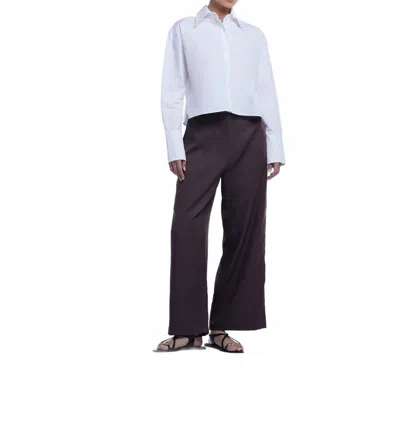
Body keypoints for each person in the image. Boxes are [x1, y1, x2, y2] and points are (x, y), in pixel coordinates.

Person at [155, 0, 285, 353]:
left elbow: (265, 90)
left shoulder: (254, 36)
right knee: (187, 225)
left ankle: (221, 327)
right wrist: (174, 144)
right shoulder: (185, 29)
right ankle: (187, 328)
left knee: (244, 228)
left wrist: (275, 146)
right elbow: (172, 90)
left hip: (249, 136)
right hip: (202, 134)